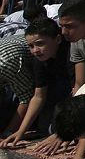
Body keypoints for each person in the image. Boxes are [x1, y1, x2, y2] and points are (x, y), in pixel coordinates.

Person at [0, 20, 73, 148]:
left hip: (73, 89)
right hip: (56, 84)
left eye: (40, 44)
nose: (35, 50)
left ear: (57, 39)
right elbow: (38, 96)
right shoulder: (39, 61)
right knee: (45, 127)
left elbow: (79, 88)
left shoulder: (71, 53)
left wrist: (64, 132)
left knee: (56, 128)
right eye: (31, 46)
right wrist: (20, 132)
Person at [0, 35, 35, 140]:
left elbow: (27, 98)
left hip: (38, 62)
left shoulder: (5, 64)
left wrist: (8, 133)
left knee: (45, 125)